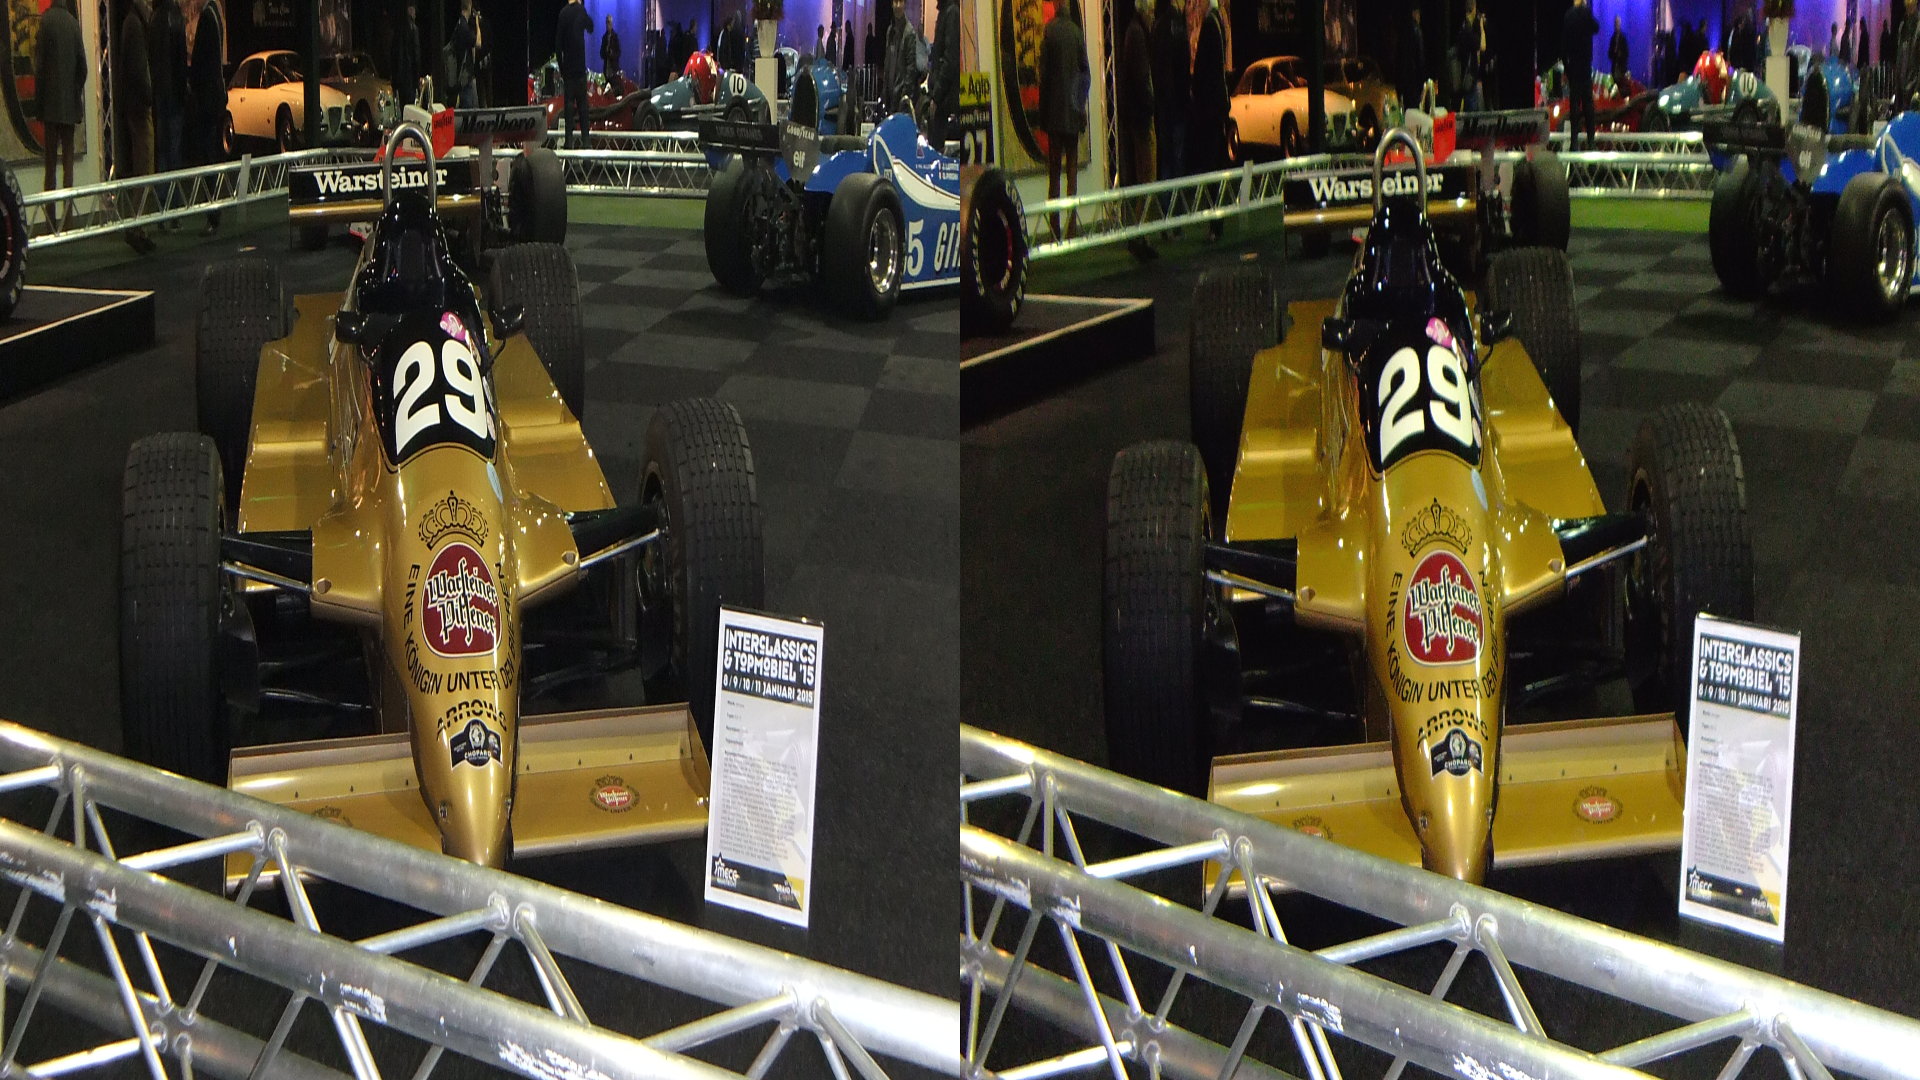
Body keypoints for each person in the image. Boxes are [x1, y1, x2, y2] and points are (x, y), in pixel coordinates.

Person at [1038, 0, 1087, 240]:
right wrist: (1079, 104)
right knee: (1072, 173)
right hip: (1073, 112)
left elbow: (1044, 76)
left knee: (1054, 172)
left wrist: (1043, 111)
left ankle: (1055, 227)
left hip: (1055, 113)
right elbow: (1085, 73)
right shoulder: (1077, 33)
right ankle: (1072, 226)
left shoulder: (1050, 32)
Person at [34, 0, 83, 230]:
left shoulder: (46, 22)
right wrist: (74, 90)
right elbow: (83, 67)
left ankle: (50, 221)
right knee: (68, 166)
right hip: (69, 106)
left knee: (50, 166)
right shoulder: (73, 24)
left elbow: (39, 67)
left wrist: (40, 102)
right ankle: (68, 219)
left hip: (50, 106)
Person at [1115, 0, 1154, 260]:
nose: (1152, 13)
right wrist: (1151, 104)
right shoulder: (1138, 34)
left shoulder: (1131, 32)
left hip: (1134, 115)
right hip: (1141, 116)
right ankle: (1140, 234)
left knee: (1142, 177)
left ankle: (1139, 234)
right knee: (1147, 177)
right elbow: (1141, 78)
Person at [1188, 0, 1228, 238]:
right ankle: (1217, 219)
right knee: (1217, 163)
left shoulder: (1210, 26)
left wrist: (1195, 92)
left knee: (1212, 166)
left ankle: (1215, 221)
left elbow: (1204, 69)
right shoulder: (1218, 23)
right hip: (1217, 107)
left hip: (1210, 109)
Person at [117, 0, 155, 253]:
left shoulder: (132, 22)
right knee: (145, 167)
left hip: (135, 104)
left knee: (143, 166)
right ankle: (137, 226)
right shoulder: (135, 24)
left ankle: (139, 226)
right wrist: (149, 96)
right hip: (139, 106)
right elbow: (139, 68)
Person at [185, 0, 225, 234]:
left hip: (208, 98)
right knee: (212, 154)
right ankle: (214, 211)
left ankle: (212, 213)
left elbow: (201, 61)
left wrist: (192, 81)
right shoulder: (215, 15)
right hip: (214, 96)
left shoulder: (208, 19)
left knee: (208, 156)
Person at [150, 0, 185, 225]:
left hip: (159, 93)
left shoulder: (154, 18)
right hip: (172, 93)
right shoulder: (174, 16)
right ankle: (174, 210)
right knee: (173, 153)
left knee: (162, 153)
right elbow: (179, 59)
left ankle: (162, 208)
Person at [1150, 0, 1187, 190]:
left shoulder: (1158, 26)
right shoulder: (1178, 23)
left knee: (1165, 156)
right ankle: (1177, 199)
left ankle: (1167, 200)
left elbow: (1157, 67)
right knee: (1177, 157)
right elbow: (1183, 62)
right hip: (1178, 103)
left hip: (1164, 103)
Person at [1562, 0, 1599, 150]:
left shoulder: (1568, 15)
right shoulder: (1586, 13)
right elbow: (1596, 27)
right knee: (1588, 105)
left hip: (1573, 67)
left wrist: (1567, 69)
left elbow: (1563, 44)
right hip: (1584, 66)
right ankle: (1591, 141)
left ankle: (1574, 142)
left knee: (1574, 107)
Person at [557, 0, 593, 148]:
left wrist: (562, 69)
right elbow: (591, 27)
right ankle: (586, 143)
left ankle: (569, 143)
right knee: (583, 108)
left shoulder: (563, 13)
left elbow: (558, 45)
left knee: (568, 108)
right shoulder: (581, 10)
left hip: (569, 70)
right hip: (579, 68)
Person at [927, 0, 959, 146]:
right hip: (942, 98)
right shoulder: (945, 12)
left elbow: (950, 61)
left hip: (945, 101)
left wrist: (936, 95)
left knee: (938, 148)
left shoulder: (951, 13)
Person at [448, 0, 478, 108]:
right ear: (469, 6)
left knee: (470, 105)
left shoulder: (460, 24)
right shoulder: (464, 27)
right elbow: (478, 43)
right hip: (465, 75)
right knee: (469, 107)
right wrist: (477, 23)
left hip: (462, 73)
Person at [1455, 1, 1483, 110]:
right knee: (1471, 107)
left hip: (1464, 73)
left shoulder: (1463, 26)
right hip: (1469, 75)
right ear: (1474, 9)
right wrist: (1481, 27)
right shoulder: (1467, 29)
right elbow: (1482, 46)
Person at [394, 2, 420, 107]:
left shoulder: (398, 29)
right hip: (410, 76)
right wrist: (417, 78)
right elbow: (416, 55)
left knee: (402, 105)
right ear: (411, 11)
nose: (415, 15)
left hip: (400, 77)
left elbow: (394, 53)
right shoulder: (413, 29)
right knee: (410, 106)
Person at [1403, 5, 1426, 108]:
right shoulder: (1417, 30)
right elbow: (1420, 56)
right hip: (1415, 76)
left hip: (1406, 75)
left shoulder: (1405, 30)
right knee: (1415, 105)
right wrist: (1422, 77)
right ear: (1415, 13)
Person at [1608, 15, 1629, 87]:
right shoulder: (1613, 38)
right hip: (1614, 68)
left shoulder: (1623, 38)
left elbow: (1626, 53)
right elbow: (1609, 53)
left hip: (1621, 68)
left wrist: (1620, 55)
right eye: (1615, 23)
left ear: (1620, 24)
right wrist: (1614, 54)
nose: (1616, 25)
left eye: (1617, 23)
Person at [602, 15, 622, 82]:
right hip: (606, 69)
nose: (608, 25)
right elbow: (601, 53)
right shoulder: (604, 37)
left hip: (613, 69)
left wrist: (612, 53)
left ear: (612, 24)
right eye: (607, 23)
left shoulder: (615, 37)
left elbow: (618, 52)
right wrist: (605, 51)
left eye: (609, 23)